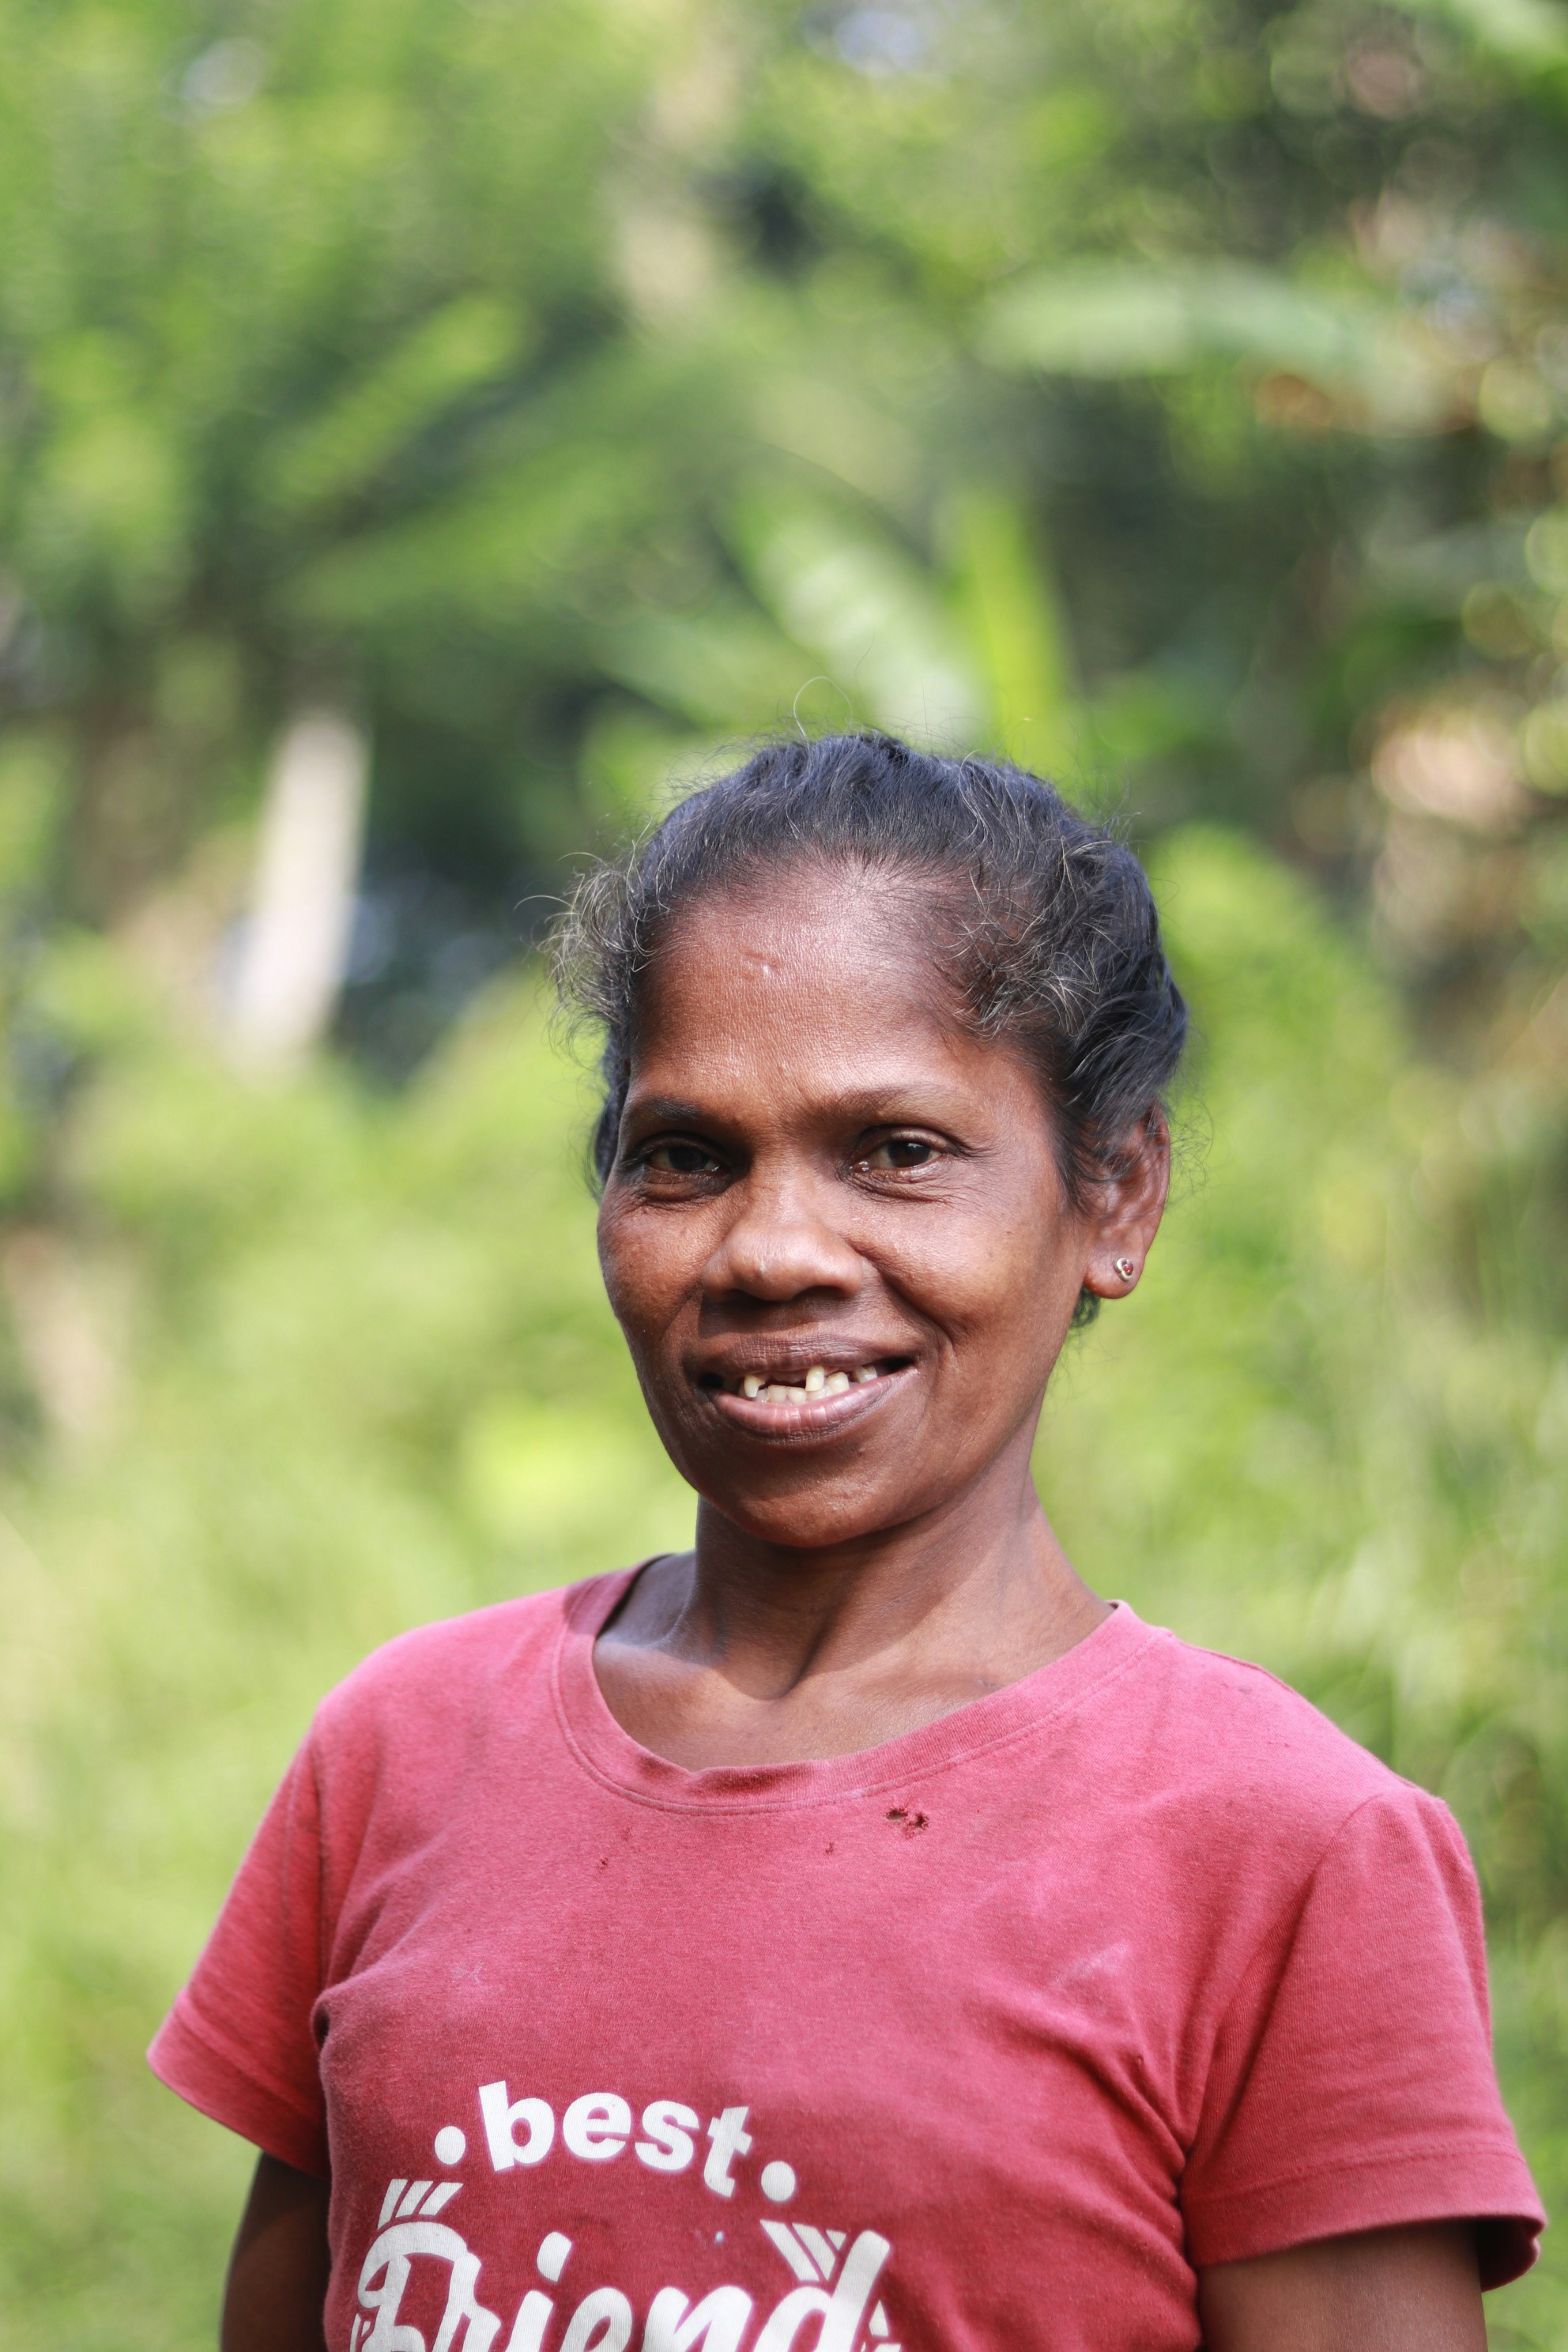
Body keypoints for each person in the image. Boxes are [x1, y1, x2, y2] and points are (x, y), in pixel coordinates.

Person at [151, 733, 1544, 2352]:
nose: (772, 1249)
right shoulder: (400, 1751)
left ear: (1115, 1195)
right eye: (685, 1156)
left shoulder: (1280, 1853)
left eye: (895, 1151)